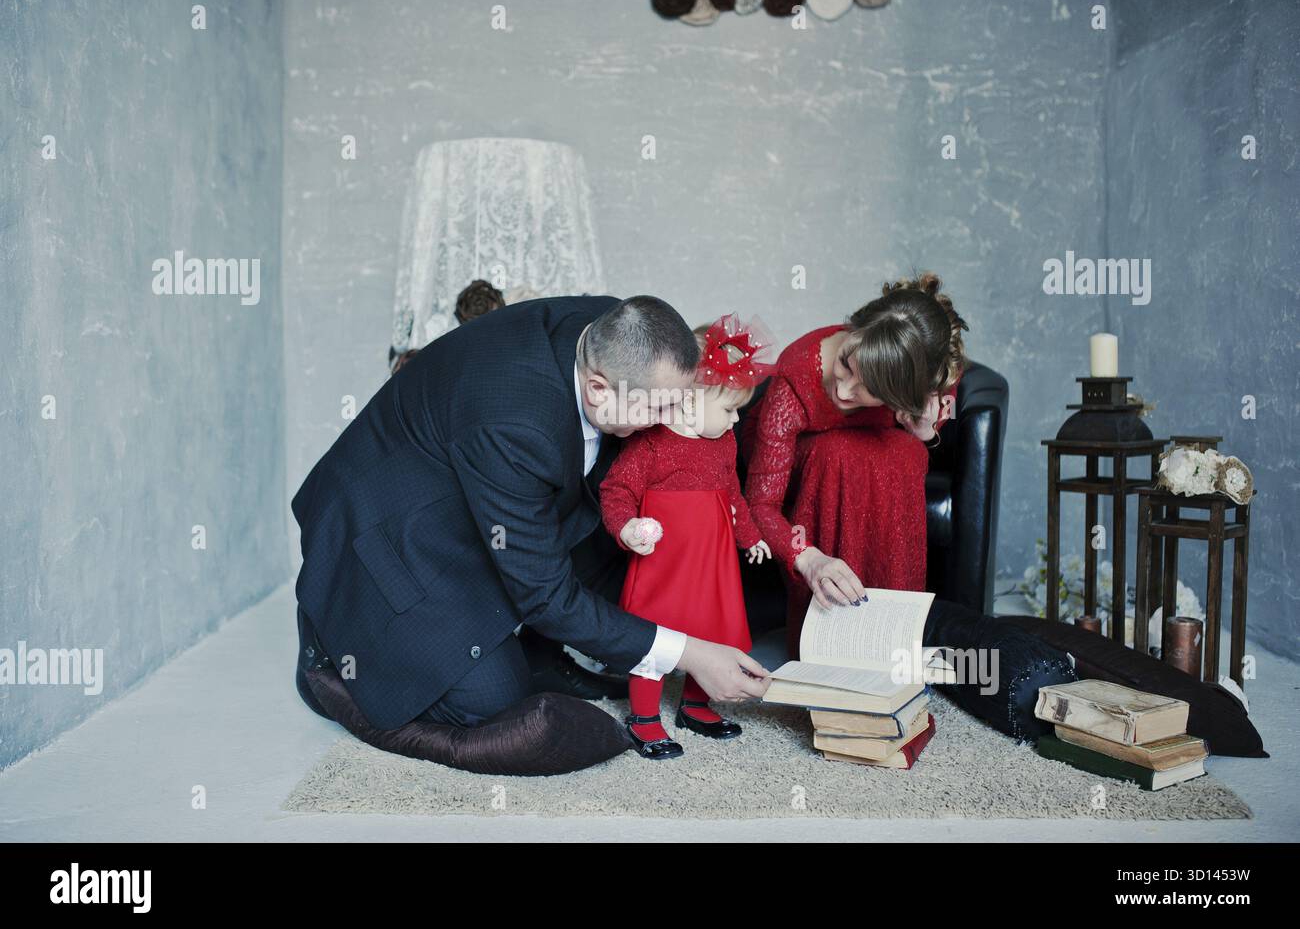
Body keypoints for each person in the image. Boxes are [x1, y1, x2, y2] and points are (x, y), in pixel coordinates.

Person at [293, 295, 770, 745]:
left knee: (611, 571)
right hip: (385, 532)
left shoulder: (615, 330)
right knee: (491, 702)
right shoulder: (517, 426)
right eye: (661, 407)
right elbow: (545, 594)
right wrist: (691, 654)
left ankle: (538, 649)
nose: (672, 420)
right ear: (600, 389)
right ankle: (327, 650)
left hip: (470, 482)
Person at [741, 273, 1074, 740]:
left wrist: (922, 424)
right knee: (839, 454)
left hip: (880, 466)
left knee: (900, 453)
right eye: (846, 364)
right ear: (855, 329)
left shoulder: (924, 374)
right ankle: (831, 636)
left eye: (867, 388)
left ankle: (891, 630)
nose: (844, 390)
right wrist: (809, 559)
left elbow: (934, 413)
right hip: (814, 480)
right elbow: (760, 504)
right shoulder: (797, 379)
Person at [599, 314, 775, 759]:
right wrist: (627, 527)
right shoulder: (652, 442)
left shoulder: (724, 444)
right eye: (730, 409)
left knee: (712, 631)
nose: (737, 421)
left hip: (711, 560)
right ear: (692, 401)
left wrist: (749, 534)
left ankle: (696, 705)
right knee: (653, 636)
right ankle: (643, 717)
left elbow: (733, 494)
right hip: (665, 563)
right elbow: (616, 489)